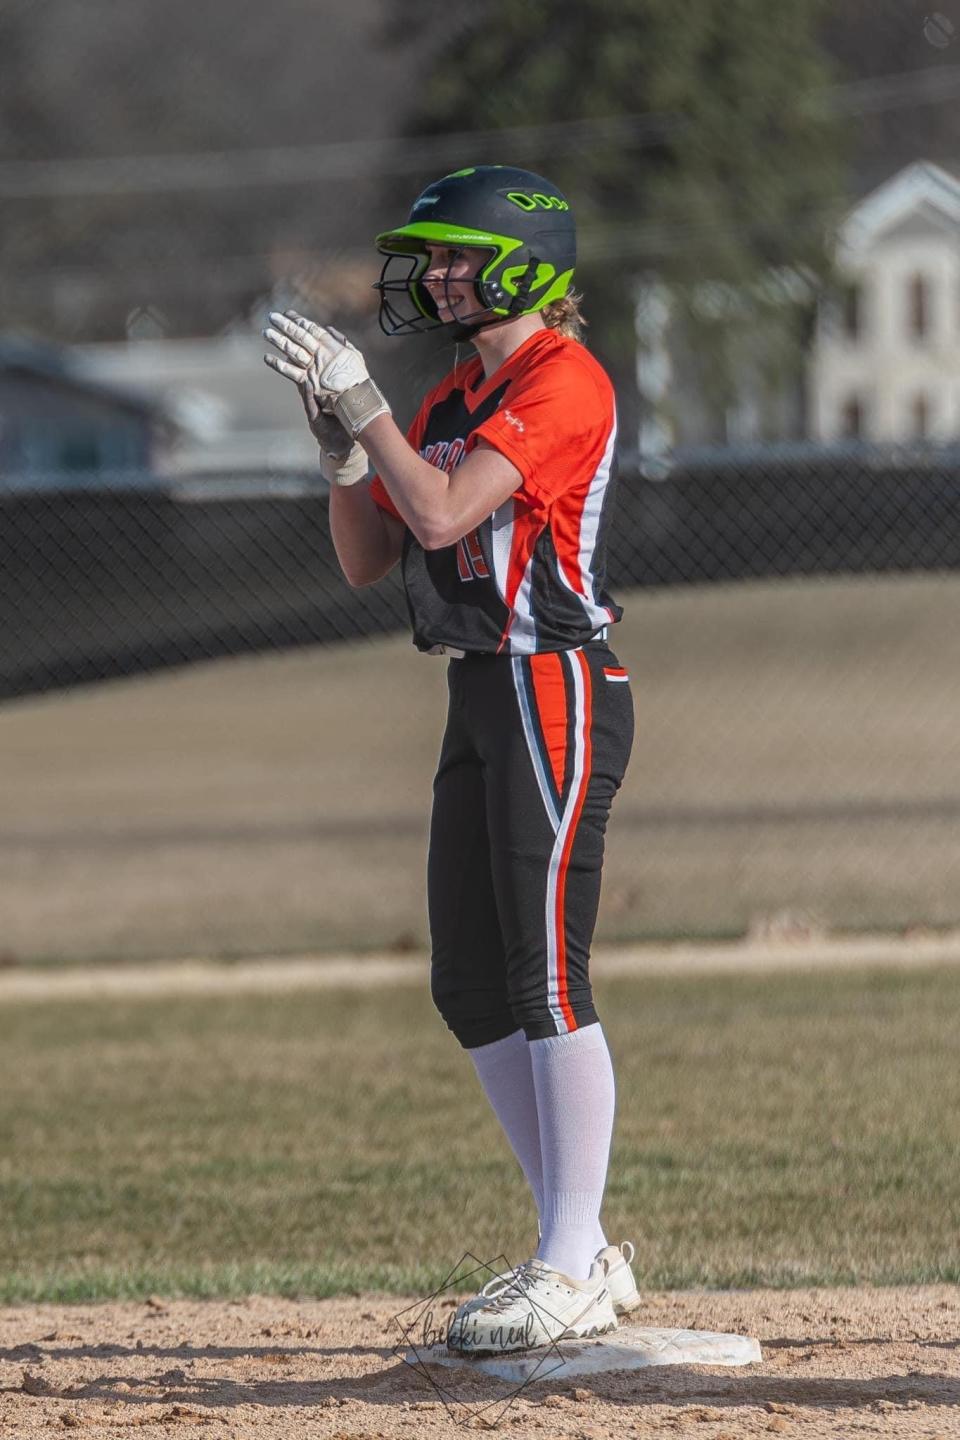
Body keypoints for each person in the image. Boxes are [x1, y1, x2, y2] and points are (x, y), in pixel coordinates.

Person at [263, 164, 638, 1355]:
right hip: (479, 692)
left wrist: (365, 402)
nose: (432, 275)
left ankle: (571, 1257)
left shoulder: (563, 381)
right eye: (431, 257)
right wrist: (339, 449)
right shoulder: (452, 396)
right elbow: (375, 552)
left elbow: (443, 514)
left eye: (454, 255)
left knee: (545, 976)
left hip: (552, 687)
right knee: (469, 984)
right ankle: (572, 1248)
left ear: (522, 262)